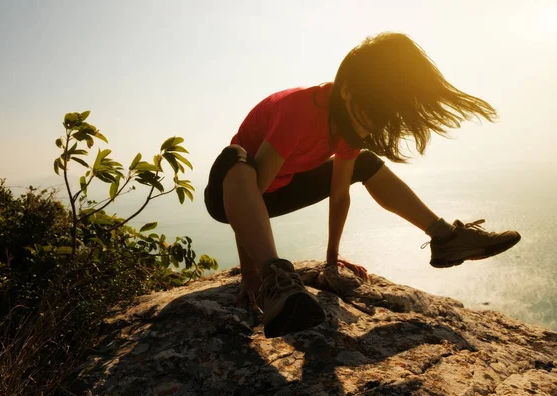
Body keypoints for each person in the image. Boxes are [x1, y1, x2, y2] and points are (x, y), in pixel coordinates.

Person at [204, 32, 521, 339]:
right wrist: (250, 275)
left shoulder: (349, 123)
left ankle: (445, 238)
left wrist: (331, 262)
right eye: (372, 112)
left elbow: (339, 194)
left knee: (365, 162)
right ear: (348, 92)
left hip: (275, 192)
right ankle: (277, 282)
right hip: (230, 195)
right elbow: (249, 198)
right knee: (236, 158)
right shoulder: (298, 110)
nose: (375, 125)